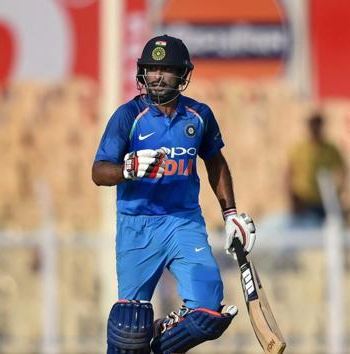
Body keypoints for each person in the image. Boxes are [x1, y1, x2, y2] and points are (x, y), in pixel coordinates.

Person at [92, 35, 256, 354]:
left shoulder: (199, 116)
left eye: (166, 69)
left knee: (208, 312)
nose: (157, 77)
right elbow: (98, 172)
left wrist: (231, 214)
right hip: (137, 224)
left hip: (183, 221)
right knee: (130, 327)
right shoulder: (128, 116)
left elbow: (215, 162)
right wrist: (129, 167)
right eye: (151, 69)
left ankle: (158, 344)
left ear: (182, 74)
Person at [286, 113, 346, 226]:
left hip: (323, 201)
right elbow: (288, 173)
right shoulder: (299, 148)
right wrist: (291, 196)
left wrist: (339, 191)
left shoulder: (330, 149)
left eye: (317, 126)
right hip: (302, 200)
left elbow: (343, 170)